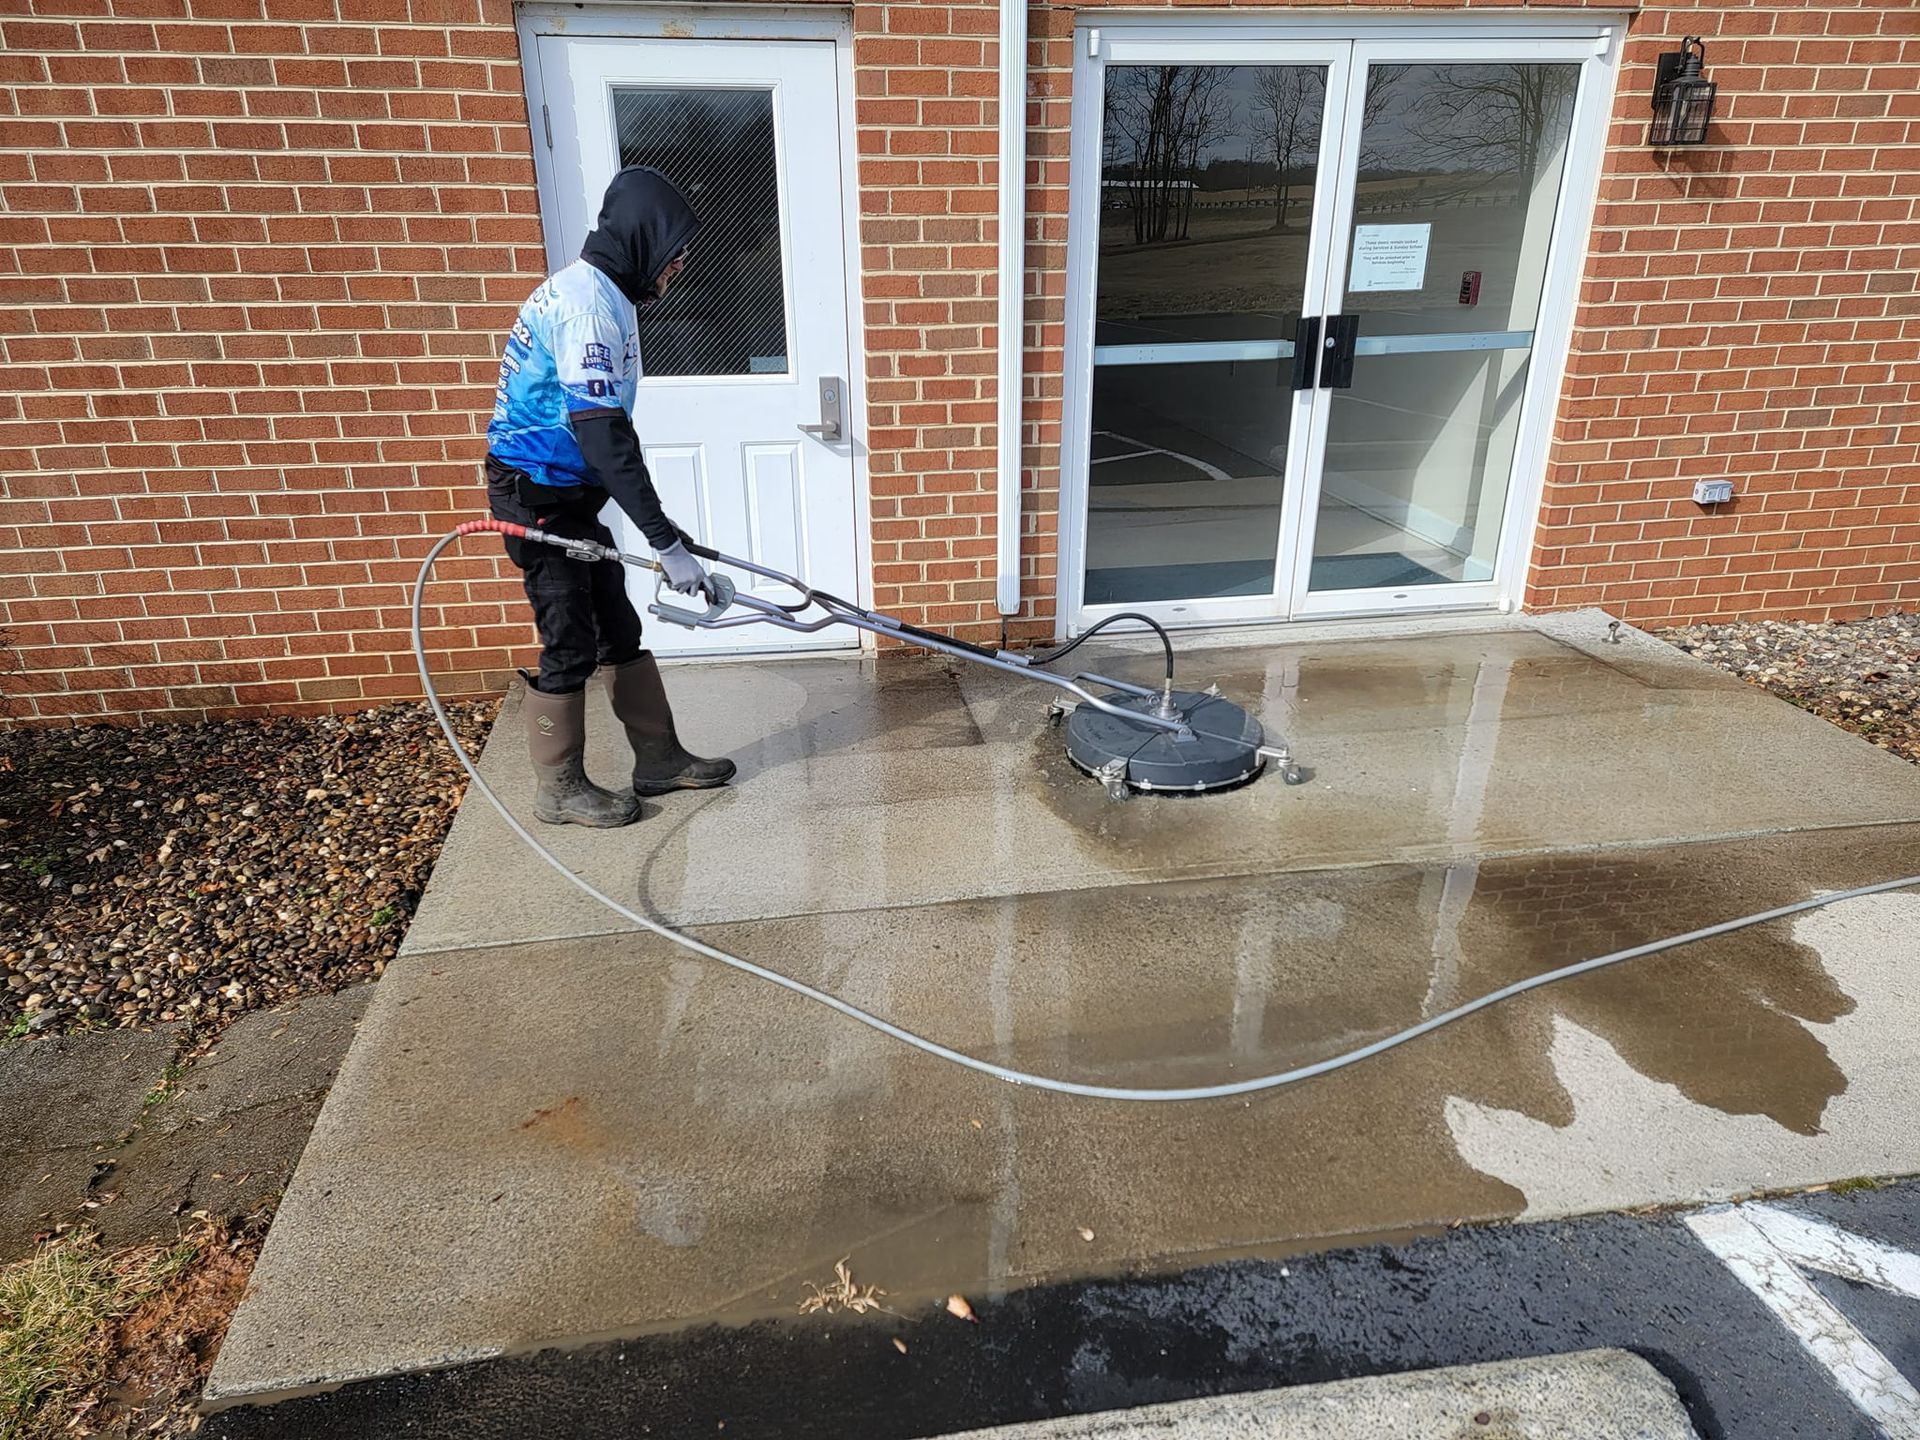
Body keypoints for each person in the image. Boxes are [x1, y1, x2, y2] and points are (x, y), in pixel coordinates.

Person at [484, 166, 735, 828]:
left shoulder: (609, 296)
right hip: (534, 493)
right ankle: (559, 789)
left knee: (618, 627)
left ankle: (658, 760)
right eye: (676, 253)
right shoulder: (587, 307)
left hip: (571, 489)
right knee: (568, 636)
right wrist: (663, 541)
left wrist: (668, 532)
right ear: (645, 239)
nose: (679, 267)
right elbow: (601, 436)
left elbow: (609, 438)